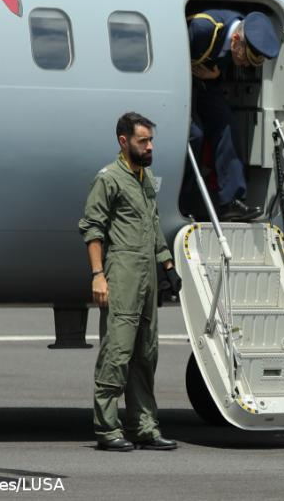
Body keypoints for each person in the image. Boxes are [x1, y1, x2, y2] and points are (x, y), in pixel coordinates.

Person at [78, 112, 181, 452]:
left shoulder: (146, 177)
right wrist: (98, 276)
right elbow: (92, 229)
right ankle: (107, 429)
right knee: (117, 353)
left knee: (146, 354)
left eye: (151, 140)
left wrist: (168, 266)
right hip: (121, 272)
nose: (150, 146)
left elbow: (152, 225)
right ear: (124, 142)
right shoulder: (108, 179)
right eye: (143, 141)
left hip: (148, 275)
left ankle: (144, 427)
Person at [186, 9, 280, 221]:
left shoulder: (241, 33)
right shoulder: (203, 28)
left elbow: (220, 62)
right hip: (181, 83)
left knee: (228, 125)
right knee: (195, 134)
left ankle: (232, 201)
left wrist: (215, 75)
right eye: (245, 59)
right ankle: (186, 198)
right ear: (236, 40)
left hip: (206, 84)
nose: (245, 65)